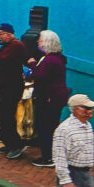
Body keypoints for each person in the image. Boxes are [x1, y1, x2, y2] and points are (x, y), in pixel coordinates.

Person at [0, 23, 33, 158]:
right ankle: (8, 143)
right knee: (2, 116)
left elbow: (1, 61)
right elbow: (3, 63)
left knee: (6, 116)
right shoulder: (8, 47)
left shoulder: (16, 46)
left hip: (11, 88)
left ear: (8, 34)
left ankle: (16, 144)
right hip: (3, 87)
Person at [28, 32, 70, 166]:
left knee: (44, 128)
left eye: (40, 40)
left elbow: (40, 76)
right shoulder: (57, 59)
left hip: (48, 99)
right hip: (56, 98)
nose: (38, 42)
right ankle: (53, 155)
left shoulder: (49, 60)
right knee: (51, 128)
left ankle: (47, 157)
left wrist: (33, 64)